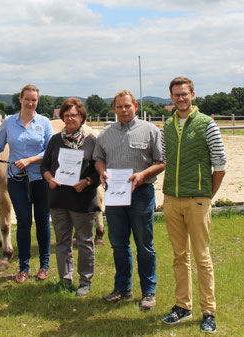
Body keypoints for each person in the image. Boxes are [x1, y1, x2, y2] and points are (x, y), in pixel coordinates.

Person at [0, 84, 54, 283]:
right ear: (20, 99)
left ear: (37, 101)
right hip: (17, 180)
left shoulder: (44, 122)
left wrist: (30, 160)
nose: (31, 103)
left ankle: (44, 265)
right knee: (23, 223)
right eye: (27, 99)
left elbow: (50, 151)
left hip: (40, 179)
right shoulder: (8, 123)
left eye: (34, 100)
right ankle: (23, 267)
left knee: (42, 222)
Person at [161, 77, 226, 334]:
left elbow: (219, 164)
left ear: (192, 95)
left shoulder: (207, 124)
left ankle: (208, 311)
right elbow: (165, 159)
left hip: (198, 199)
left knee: (202, 257)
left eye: (184, 94)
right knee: (179, 256)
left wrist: (207, 194)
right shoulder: (166, 126)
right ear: (171, 97)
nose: (180, 98)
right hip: (171, 199)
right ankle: (182, 306)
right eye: (176, 94)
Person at [93, 90, 164, 310]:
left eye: (128, 106)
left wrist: (143, 175)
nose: (124, 110)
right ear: (114, 109)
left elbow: (161, 162)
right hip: (115, 196)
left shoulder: (150, 130)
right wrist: (102, 172)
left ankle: (148, 292)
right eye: (119, 107)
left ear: (135, 105)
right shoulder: (106, 133)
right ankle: (122, 288)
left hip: (141, 194)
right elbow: (98, 158)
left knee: (144, 244)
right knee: (118, 244)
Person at [40, 97, 100, 297]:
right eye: (66, 115)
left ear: (82, 117)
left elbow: (98, 172)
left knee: (84, 241)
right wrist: (49, 178)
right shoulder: (55, 140)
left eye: (73, 115)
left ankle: (85, 281)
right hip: (58, 199)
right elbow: (45, 166)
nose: (70, 118)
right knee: (62, 241)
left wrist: (87, 182)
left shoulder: (92, 141)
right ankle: (65, 278)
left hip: (82, 200)